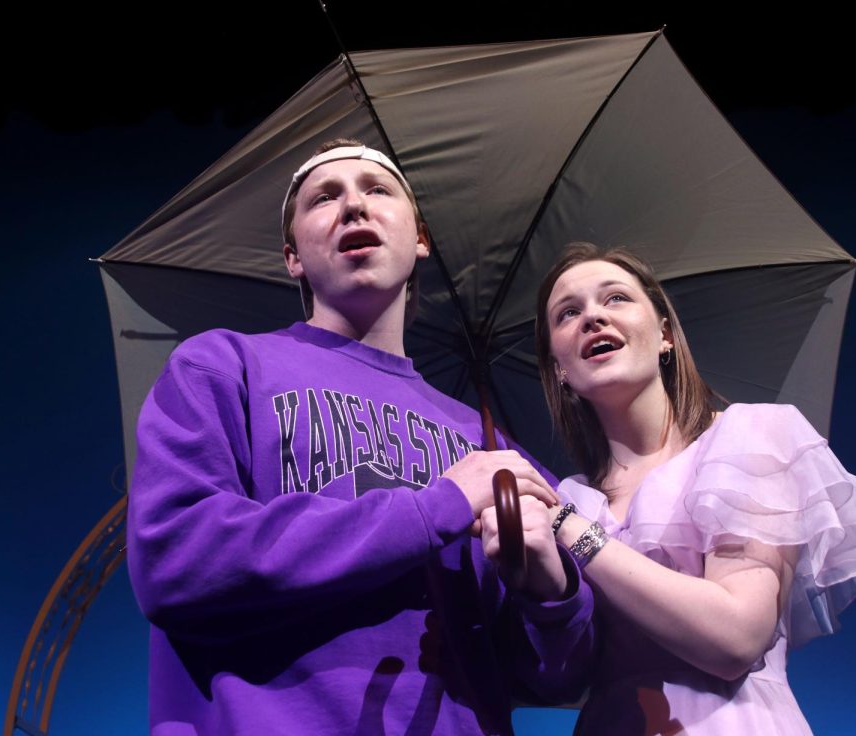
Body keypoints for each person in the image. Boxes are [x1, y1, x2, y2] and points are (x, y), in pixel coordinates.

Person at [127, 140, 593, 735]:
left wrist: (548, 594)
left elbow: (560, 678)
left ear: (419, 238)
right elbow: (178, 560)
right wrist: (435, 507)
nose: (353, 207)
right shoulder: (223, 367)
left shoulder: (489, 446)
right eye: (325, 198)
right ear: (293, 256)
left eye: (377, 189)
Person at [529, 242, 856, 735]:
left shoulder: (746, 441)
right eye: (568, 313)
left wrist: (572, 533)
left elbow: (736, 638)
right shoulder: (564, 498)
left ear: (664, 334)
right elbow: (556, 675)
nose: (593, 317)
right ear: (559, 368)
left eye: (615, 298)